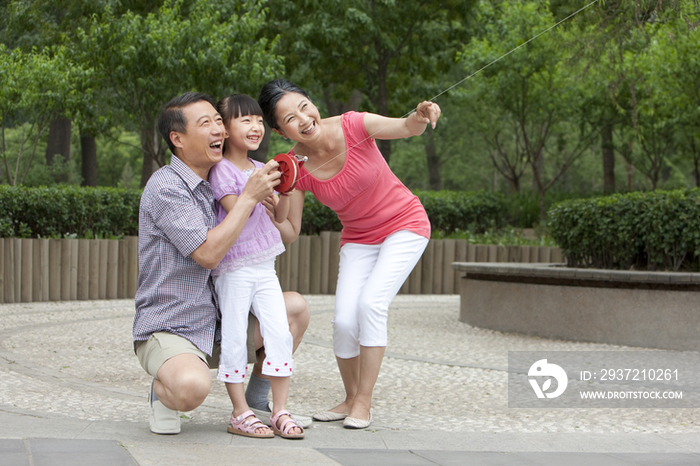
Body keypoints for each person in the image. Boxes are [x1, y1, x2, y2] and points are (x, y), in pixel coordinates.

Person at [258, 79, 440, 429]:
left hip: (405, 224)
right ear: (281, 131)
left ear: (312, 103)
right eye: (290, 119)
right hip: (358, 238)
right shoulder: (294, 166)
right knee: (343, 320)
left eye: (304, 106)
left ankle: (364, 403)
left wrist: (420, 114)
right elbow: (290, 232)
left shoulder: (354, 124)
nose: (304, 118)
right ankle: (350, 397)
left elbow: (406, 127)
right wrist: (265, 209)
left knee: (370, 305)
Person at [133, 91, 310, 435]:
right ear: (178, 139)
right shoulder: (167, 187)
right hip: (174, 327)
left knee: (295, 310)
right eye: (206, 123)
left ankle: (258, 402)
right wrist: (249, 197)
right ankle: (163, 392)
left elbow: (280, 227)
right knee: (190, 388)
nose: (219, 129)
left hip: (219, 320)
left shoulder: (222, 176)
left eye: (218, 120)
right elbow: (209, 253)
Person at [208, 93, 304, 439]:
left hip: (265, 267)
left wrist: (288, 186)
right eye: (244, 120)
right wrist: (258, 188)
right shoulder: (221, 171)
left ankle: (279, 410)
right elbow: (239, 209)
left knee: (280, 333)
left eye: (259, 121)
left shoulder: (258, 168)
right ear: (225, 128)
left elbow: (277, 215)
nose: (255, 127)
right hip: (233, 269)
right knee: (235, 337)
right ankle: (239, 413)